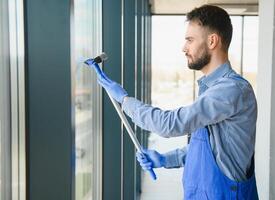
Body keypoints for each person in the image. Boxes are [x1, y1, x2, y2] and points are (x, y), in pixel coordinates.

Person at [85, 4, 258, 200]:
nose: (184, 48)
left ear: (212, 41)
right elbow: (210, 151)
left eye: (190, 40)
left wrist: (125, 100)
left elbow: (169, 124)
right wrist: (164, 159)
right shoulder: (211, 89)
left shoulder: (231, 90)